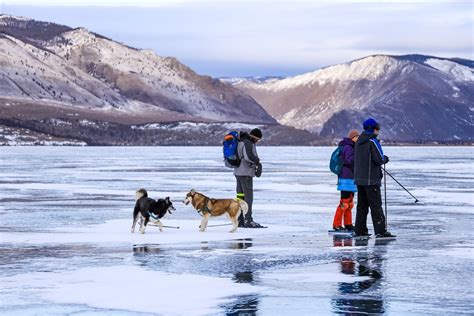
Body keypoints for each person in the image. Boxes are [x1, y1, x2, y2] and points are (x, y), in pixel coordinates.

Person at [353, 118, 395, 238]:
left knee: (362, 206)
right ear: (372, 129)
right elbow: (379, 159)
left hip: (360, 180)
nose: (378, 130)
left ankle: (360, 230)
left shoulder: (358, 142)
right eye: (377, 128)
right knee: (376, 206)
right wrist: (385, 159)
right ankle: (380, 231)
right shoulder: (372, 141)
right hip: (371, 180)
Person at [234, 128, 264, 228]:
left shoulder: (240, 141)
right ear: (254, 137)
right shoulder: (248, 143)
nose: (257, 141)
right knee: (248, 198)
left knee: (240, 197)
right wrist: (257, 161)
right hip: (245, 173)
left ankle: (240, 219)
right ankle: (248, 220)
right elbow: (249, 157)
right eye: (257, 139)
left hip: (238, 172)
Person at [332, 129, 359, 232]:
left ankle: (348, 224)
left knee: (350, 203)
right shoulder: (348, 147)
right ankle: (336, 224)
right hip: (346, 178)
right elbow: (350, 160)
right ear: (352, 138)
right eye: (356, 137)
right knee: (344, 202)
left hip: (351, 178)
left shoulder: (352, 147)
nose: (358, 139)